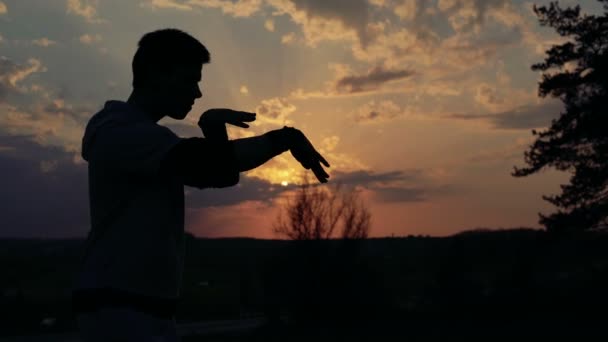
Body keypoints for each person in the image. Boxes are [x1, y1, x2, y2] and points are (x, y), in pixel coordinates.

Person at [71, 28, 330, 342]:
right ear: (156, 74)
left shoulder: (135, 134)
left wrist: (213, 131)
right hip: (120, 311)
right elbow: (203, 164)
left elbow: (217, 174)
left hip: (138, 310)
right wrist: (285, 138)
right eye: (189, 80)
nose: (197, 93)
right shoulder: (121, 132)